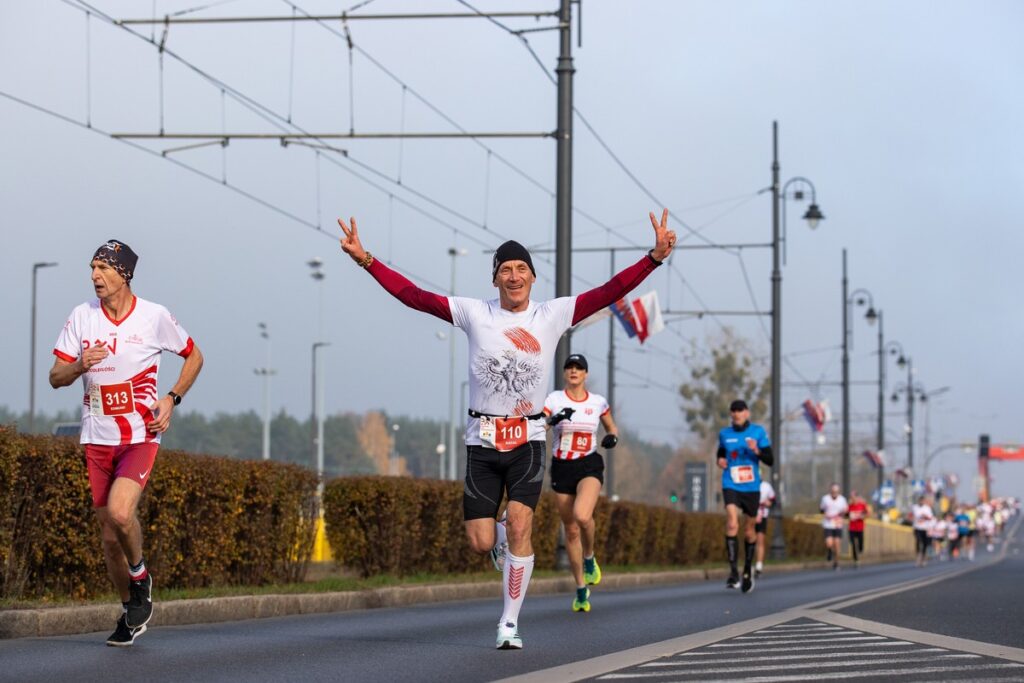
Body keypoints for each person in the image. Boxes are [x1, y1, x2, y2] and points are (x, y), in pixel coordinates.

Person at [337, 210, 675, 649]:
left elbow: (610, 291)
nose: (513, 277)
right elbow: (413, 296)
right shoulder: (475, 313)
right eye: (504, 270)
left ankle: (509, 623)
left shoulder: (552, 315)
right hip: (482, 440)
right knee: (481, 541)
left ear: (533, 277)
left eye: (521, 270)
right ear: (494, 279)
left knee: (520, 523)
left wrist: (654, 258)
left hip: (529, 440)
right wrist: (366, 259)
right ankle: (500, 543)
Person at [49, 240, 203, 646]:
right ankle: (132, 609)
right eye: (92, 267)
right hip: (96, 439)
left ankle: (141, 575)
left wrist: (172, 398)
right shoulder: (82, 317)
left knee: (120, 513)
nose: (95, 276)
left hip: (139, 436)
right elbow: (55, 377)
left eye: (103, 268)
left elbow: (194, 356)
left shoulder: (153, 317)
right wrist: (81, 364)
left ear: (124, 274)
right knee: (107, 538)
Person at [542, 353, 618, 613]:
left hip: (589, 464)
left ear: (585, 374)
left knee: (582, 516)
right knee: (571, 530)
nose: (573, 371)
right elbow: (540, 425)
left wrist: (611, 438)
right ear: (565, 373)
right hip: (562, 467)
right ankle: (580, 589)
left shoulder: (597, 402)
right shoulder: (554, 399)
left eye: (579, 368)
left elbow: (612, 428)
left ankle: (589, 558)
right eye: (569, 367)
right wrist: (553, 420)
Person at [716, 399, 774, 594]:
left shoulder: (758, 432)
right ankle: (733, 572)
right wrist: (720, 460)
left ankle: (747, 568)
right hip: (730, 483)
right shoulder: (725, 434)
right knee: (732, 523)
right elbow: (721, 452)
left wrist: (756, 450)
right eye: (733, 411)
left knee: (750, 530)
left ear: (747, 413)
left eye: (740, 411)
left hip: (751, 487)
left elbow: (770, 459)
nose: (736, 414)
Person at [819, 484, 848, 570]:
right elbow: (821, 509)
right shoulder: (825, 499)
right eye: (833, 491)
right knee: (829, 543)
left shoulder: (842, 500)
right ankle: (829, 551)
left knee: (837, 544)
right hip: (828, 524)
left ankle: (836, 563)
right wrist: (826, 515)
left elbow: (846, 511)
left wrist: (841, 514)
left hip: (838, 524)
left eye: (836, 491)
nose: (834, 493)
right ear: (830, 491)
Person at [753, 478, 775, 577]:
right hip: (751, 516)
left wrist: (768, 503)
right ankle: (749, 563)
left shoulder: (766, 486)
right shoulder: (748, 485)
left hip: (762, 516)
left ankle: (759, 565)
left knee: (760, 540)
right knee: (750, 539)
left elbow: (773, 500)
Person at [846, 491, 871, 568]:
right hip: (852, 527)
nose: (852, 499)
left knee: (860, 545)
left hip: (860, 527)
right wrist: (848, 516)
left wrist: (863, 516)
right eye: (851, 498)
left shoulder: (862, 505)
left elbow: (868, 513)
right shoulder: (849, 506)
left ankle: (860, 550)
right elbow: (845, 514)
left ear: (857, 497)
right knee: (853, 543)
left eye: (854, 497)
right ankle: (856, 560)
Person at [911, 495, 935, 567]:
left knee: (925, 544)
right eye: (920, 501)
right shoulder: (914, 507)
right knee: (918, 541)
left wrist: (929, 527)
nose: (921, 502)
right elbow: (910, 515)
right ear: (919, 501)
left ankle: (923, 558)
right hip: (917, 527)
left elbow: (931, 518)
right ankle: (918, 556)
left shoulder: (927, 508)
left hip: (925, 528)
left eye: (922, 501)